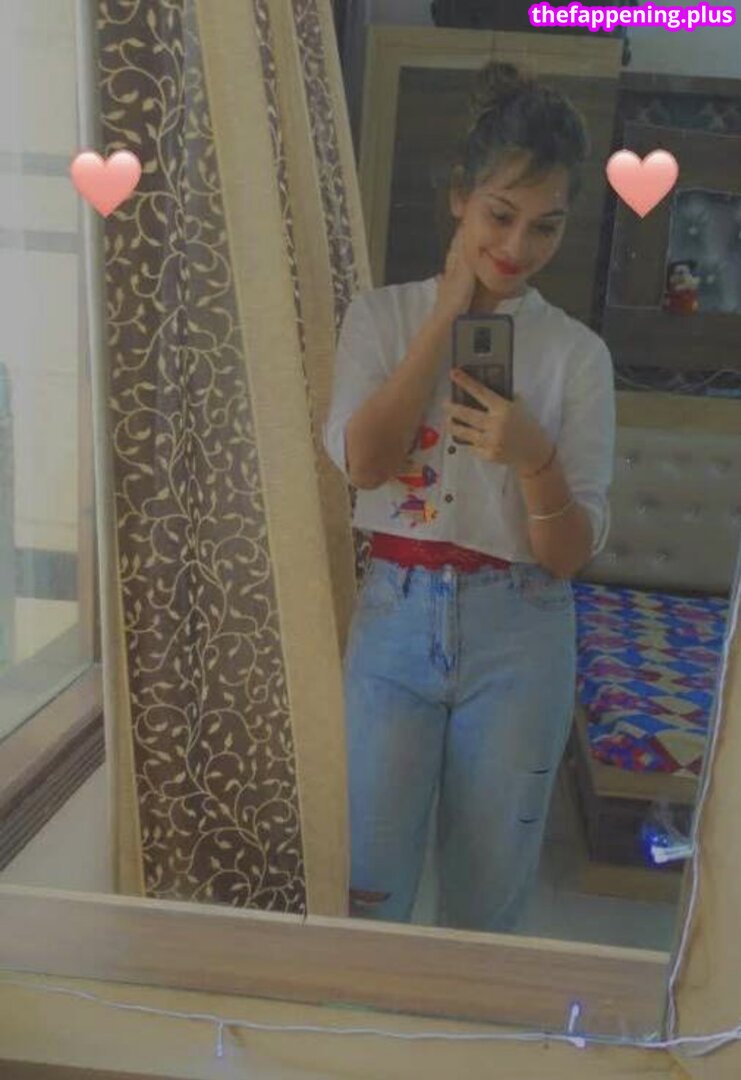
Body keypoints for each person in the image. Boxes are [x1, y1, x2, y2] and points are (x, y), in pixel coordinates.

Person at [322, 61, 615, 932]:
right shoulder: (379, 318)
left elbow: (568, 555)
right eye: (500, 214)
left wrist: (533, 458)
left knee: (487, 905)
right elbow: (363, 464)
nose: (517, 246)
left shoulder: (576, 356)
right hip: (394, 614)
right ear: (459, 197)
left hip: (521, 627)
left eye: (545, 226)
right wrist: (446, 314)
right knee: (366, 888)